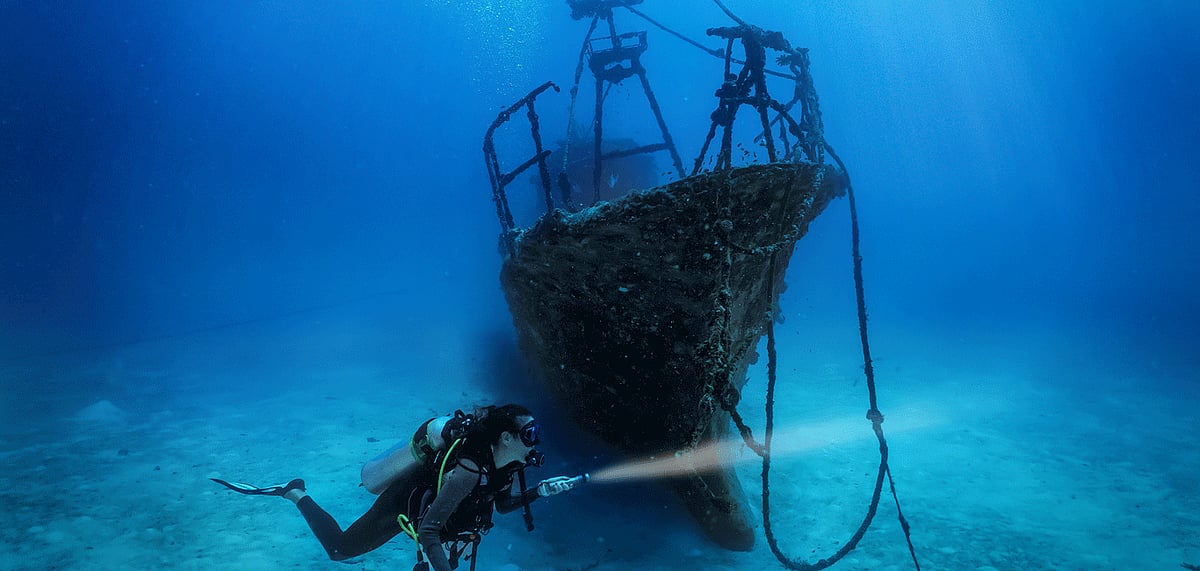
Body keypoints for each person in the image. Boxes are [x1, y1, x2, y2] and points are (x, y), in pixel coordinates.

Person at [212, 404, 581, 570]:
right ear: (504, 437)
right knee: (340, 550)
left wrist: (540, 491)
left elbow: (500, 507)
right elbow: (429, 530)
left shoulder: (508, 465)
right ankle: (295, 491)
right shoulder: (469, 471)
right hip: (404, 505)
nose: (536, 440)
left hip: (433, 516)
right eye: (529, 433)